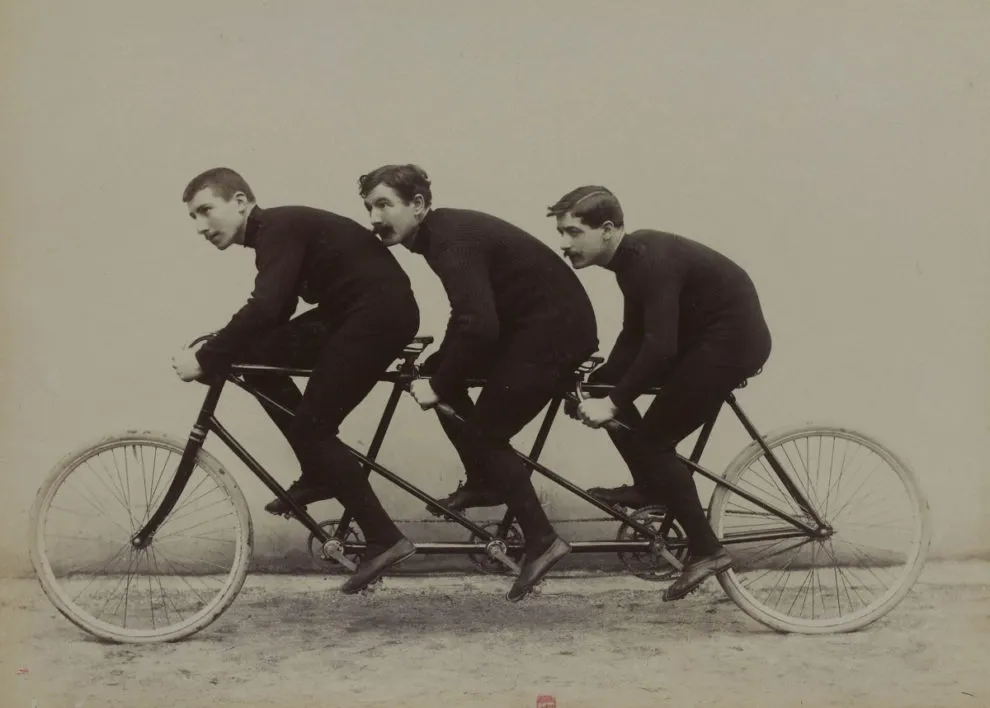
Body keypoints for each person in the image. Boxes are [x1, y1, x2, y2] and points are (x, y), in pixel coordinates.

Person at [170, 167, 421, 594]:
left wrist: (208, 356)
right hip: (355, 313)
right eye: (192, 218)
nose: (199, 227)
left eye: (205, 211)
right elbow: (276, 310)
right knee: (255, 356)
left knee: (312, 426)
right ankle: (318, 470)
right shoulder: (274, 235)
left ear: (241, 202)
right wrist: (223, 348)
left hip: (376, 316)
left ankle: (384, 538)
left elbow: (267, 307)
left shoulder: (277, 228)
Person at [357, 164, 599, 601]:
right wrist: (439, 373)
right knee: (435, 374)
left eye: (384, 205)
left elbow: (478, 323)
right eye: (369, 207)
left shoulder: (450, 240)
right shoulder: (438, 235)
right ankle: (485, 479)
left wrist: (440, 381)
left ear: (418, 205)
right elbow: (469, 316)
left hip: (554, 332)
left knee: (486, 431)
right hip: (528, 327)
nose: (374, 218)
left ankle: (543, 540)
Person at [547, 185, 772, 601]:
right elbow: (634, 334)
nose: (563, 244)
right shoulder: (631, 262)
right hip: (702, 341)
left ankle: (706, 551)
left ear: (609, 229)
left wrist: (611, 402)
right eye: (561, 232)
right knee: (614, 396)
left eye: (574, 232)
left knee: (655, 441)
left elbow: (660, 345)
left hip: (731, 344)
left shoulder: (649, 260)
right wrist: (596, 385)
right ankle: (650, 486)